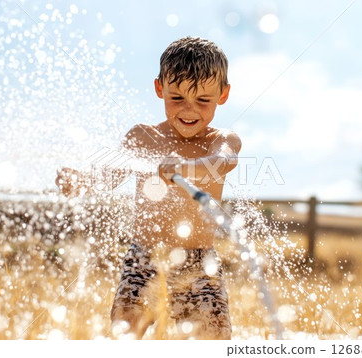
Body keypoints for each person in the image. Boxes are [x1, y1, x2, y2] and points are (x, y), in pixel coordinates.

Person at [56, 36, 241, 339]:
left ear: (223, 95)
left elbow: (222, 161)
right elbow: (112, 173)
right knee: (127, 327)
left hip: (199, 261)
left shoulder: (221, 139)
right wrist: (83, 181)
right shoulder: (143, 137)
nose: (189, 110)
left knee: (214, 336)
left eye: (203, 100)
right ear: (160, 89)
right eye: (177, 98)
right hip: (145, 256)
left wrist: (183, 168)